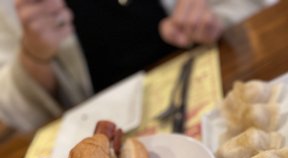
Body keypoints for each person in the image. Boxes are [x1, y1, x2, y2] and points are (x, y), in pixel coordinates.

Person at [0, 0, 273, 133]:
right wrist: (34, 55)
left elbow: (260, 9)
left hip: (219, 85)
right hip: (102, 129)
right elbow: (15, 109)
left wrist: (211, 17)